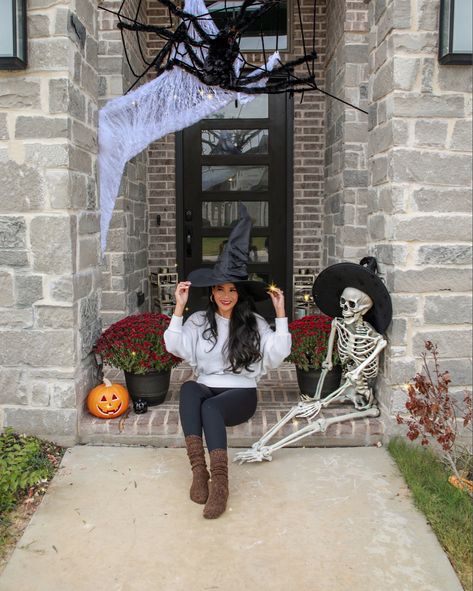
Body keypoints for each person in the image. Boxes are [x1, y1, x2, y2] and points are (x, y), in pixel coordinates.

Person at [163, 205, 291, 519]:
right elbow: (174, 346)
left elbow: (279, 352)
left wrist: (280, 313)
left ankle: (220, 483)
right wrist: (178, 308)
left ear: (239, 294)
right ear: (211, 293)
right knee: (191, 390)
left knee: (210, 408)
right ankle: (199, 472)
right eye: (219, 289)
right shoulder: (196, 322)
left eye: (232, 289)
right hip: (207, 388)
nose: (225, 295)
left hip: (241, 395)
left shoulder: (254, 323)